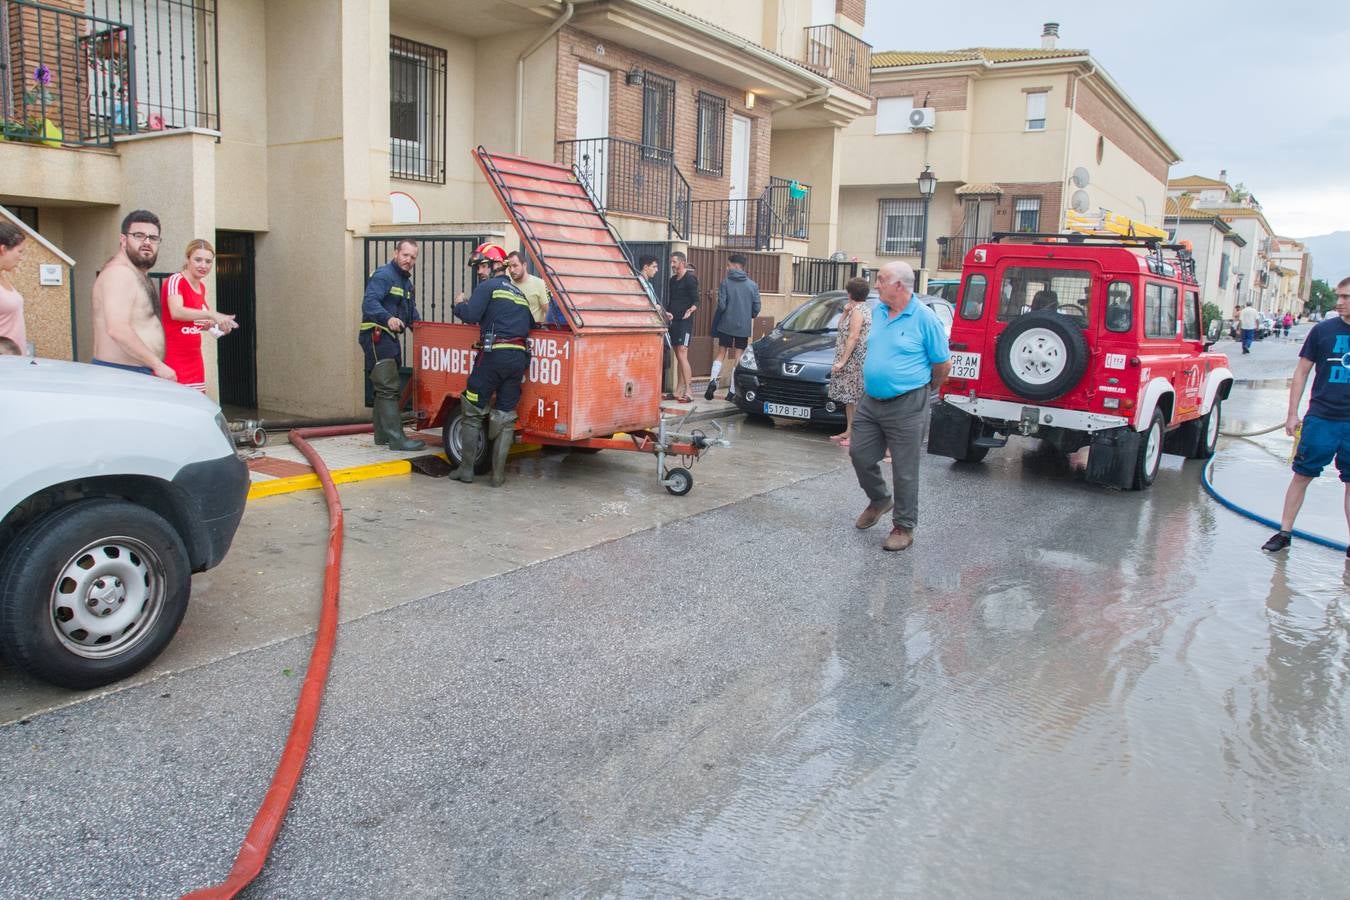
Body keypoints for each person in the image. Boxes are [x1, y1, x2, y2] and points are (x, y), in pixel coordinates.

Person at [849, 260, 951, 552]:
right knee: (859, 453)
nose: (876, 284)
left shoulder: (924, 319)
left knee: (905, 469)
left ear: (899, 285)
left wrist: (925, 389)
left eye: (881, 279)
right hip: (871, 400)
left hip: (908, 403)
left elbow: (942, 363)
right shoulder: (877, 311)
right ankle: (880, 498)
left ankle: (903, 526)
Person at [1262, 277, 1350, 556]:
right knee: (1302, 475)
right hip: (1322, 417)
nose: (1340, 302)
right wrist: (1292, 414)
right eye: (1339, 296)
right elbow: (1301, 372)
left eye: (1346, 297)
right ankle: (1284, 532)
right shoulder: (1323, 331)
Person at [451, 242, 532, 486]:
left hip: (494, 355)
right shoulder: (520, 293)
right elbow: (531, 324)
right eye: (478, 268)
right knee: (505, 416)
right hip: (518, 360)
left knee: (472, 408)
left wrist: (459, 304)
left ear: (497, 265)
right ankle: (497, 477)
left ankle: (466, 471)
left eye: (482, 266)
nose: (479, 272)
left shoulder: (488, 288)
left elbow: (472, 315)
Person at [90, 210, 175, 379]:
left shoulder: (136, 273)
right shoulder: (119, 273)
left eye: (153, 238)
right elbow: (117, 329)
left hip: (133, 372)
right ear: (123, 240)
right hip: (121, 374)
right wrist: (157, 365)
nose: (147, 242)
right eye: (139, 235)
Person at [358, 239, 424, 451]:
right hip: (377, 335)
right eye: (405, 255)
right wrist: (387, 318)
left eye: (413, 257)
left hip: (390, 338)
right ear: (396, 253)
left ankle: (382, 435)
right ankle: (397, 439)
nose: (409, 260)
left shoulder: (405, 283)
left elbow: (411, 313)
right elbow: (369, 303)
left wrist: (424, 332)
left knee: (383, 389)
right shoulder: (384, 275)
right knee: (388, 387)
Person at [161, 239, 236, 392]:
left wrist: (218, 326)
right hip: (174, 358)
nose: (203, 265)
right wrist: (212, 314)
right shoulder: (176, 280)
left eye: (208, 261)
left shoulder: (201, 286)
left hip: (194, 360)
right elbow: (176, 312)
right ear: (187, 259)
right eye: (198, 260)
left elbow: (195, 322)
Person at [704, 253, 760, 401]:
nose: (726, 268)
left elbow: (721, 306)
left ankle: (712, 381)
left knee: (721, 352)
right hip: (743, 325)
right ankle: (732, 391)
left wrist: (723, 312)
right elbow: (756, 308)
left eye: (728, 265)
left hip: (726, 324)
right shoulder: (752, 285)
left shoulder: (725, 282)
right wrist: (749, 315)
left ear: (736, 266)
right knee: (738, 357)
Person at [828, 277, 872, 446]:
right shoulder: (856, 309)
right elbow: (841, 327)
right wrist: (845, 312)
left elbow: (853, 336)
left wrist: (842, 361)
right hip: (851, 359)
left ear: (850, 293)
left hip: (854, 360)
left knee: (855, 396)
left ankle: (855, 435)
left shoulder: (859, 311)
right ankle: (848, 430)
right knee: (849, 397)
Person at [667, 251, 698, 403]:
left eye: (674, 262)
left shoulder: (690, 279)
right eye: (671, 262)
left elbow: (696, 301)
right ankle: (678, 391)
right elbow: (671, 300)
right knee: (678, 355)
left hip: (685, 321)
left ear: (682, 262)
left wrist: (691, 310)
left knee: (682, 353)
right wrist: (668, 313)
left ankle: (689, 391)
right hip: (674, 321)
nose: (672, 265)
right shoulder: (672, 280)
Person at [0, 221, 29, 356]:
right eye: (19, 251)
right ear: (3, 249)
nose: (21, 258)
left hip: (15, 364)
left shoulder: (3, 278)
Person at [506, 250, 550, 326]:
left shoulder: (539, 283)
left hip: (534, 332)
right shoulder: (508, 285)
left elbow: (548, 311)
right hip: (513, 331)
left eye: (515, 266)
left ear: (524, 265)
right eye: (509, 267)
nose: (512, 270)